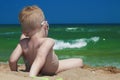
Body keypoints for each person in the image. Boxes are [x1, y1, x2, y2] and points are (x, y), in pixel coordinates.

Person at [9, 5, 83, 77]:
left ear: (25, 32)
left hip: (31, 68)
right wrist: (31, 76)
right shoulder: (47, 41)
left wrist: (14, 71)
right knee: (79, 61)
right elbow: (40, 58)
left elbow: (12, 60)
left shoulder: (23, 42)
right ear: (45, 26)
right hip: (50, 70)